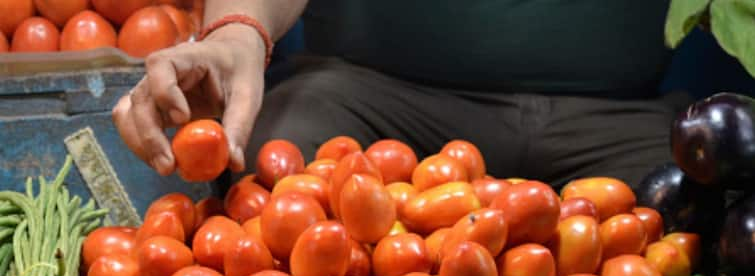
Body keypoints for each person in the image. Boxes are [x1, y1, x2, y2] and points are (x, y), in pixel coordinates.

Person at [113, 0, 688, 189]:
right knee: (271, 162)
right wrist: (237, 33)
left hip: (620, 117)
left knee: (719, 217)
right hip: (378, 95)